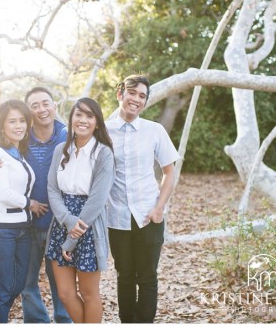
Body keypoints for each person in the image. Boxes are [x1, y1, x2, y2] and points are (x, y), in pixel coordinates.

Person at [0, 87, 72, 323]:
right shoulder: (20, 140)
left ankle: (64, 321)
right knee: (24, 283)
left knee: (60, 279)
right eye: (34, 105)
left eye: (45, 103)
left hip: (58, 222)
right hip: (26, 224)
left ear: (54, 106)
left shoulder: (67, 136)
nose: (41, 109)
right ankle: (37, 322)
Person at [106, 74, 180, 323]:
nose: (136, 99)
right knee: (124, 275)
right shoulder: (103, 131)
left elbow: (170, 172)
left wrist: (160, 208)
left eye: (142, 96)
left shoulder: (154, 131)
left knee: (147, 276)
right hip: (117, 217)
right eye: (132, 93)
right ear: (120, 94)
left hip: (150, 215)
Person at [45, 97, 115, 323]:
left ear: (97, 122)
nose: (83, 120)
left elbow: (97, 200)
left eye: (89, 116)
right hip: (61, 222)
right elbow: (53, 189)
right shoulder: (60, 150)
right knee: (65, 294)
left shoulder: (103, 153)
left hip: (89, 225)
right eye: (79, 114)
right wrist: (66, 220)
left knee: (88, 293)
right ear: (71, 118)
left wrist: (72, 237)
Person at [0, 99, 47, 323]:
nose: (19, 126)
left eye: (22, 121)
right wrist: (31, 204)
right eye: (12, 121)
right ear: (1, 125)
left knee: (18, 284)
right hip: (1, 230)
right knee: (4, 286)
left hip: (22, 228)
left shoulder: (18, 153)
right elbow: (4, 193)